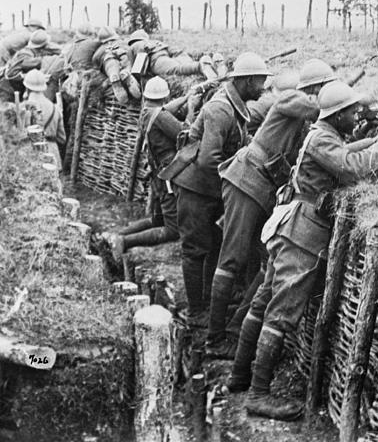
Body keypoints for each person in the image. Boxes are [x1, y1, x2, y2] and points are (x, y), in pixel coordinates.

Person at [231, 81, 378, 420]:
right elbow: (352, 167)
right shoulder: (322, 138)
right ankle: (258, 395)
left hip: (290, 227)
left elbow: (346, 152)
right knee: (280, 314)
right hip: (302, 235)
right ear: (337, 116)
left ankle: (239, 377)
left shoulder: (324, 134)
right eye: (351, 112)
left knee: (264, 301)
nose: (356, 116)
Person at [205, 59, 336, 358]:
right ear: (316, 89)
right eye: (328, 89)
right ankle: (214, 340)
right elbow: (307, 105)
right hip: (247, 179)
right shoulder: (292, 99)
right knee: (232, 259)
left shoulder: (305, 119)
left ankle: (236, 330)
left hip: (261, 187)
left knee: (264, 261)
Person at [159, 52, 271, 336]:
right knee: (195, 248)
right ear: (246, 81)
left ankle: (209, 301)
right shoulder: (221, 109)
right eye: (260, 82)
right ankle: (196, 310)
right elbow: (209, 160)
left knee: (213, 243)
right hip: (196, 187)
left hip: (209, 188)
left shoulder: (237, 106)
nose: (263, 87)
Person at [103, 76, 198, 259]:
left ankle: (118, 235)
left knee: (157, 220)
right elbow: (185, 134)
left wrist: (186, 97)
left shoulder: (147, 112)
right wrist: (192, 107)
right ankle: (124, 242)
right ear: (165, 96)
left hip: (158, 175)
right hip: (169, 176)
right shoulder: (160, 117)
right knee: (173, 230)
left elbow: (165, 110)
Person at [0, 30, 59, 101]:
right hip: (3, 92)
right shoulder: (27, 57)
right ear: (43, 47)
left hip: (8, 90)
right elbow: (13, 75)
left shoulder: (29, 51)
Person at [126, 29, 220, 79]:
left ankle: (200, 66)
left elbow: (135, 69)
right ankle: (210, 61)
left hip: (157, 59)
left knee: (177, 70)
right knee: (183, 61)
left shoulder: (133, 47)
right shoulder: (155, 41)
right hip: (167, 51)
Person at [21, 69, 66, 167]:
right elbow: (62, 138)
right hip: (52, 155)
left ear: (27, 88)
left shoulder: (23, 108)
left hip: (32, 153)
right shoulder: (55, 108)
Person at [0, 18, 46, 82]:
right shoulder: (30, 35)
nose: (39, 31)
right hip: (0, 51)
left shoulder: (20, 31)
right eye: (39, 29)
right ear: (34, 27)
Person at [92, 27, 141, 104]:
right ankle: (127, 72)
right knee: (128, 63)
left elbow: (95, 65)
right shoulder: (124, 43)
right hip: (124, 52)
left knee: (110, 66)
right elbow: (132, 53)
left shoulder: (99, 51)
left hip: (106, 57)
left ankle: (114, 76)